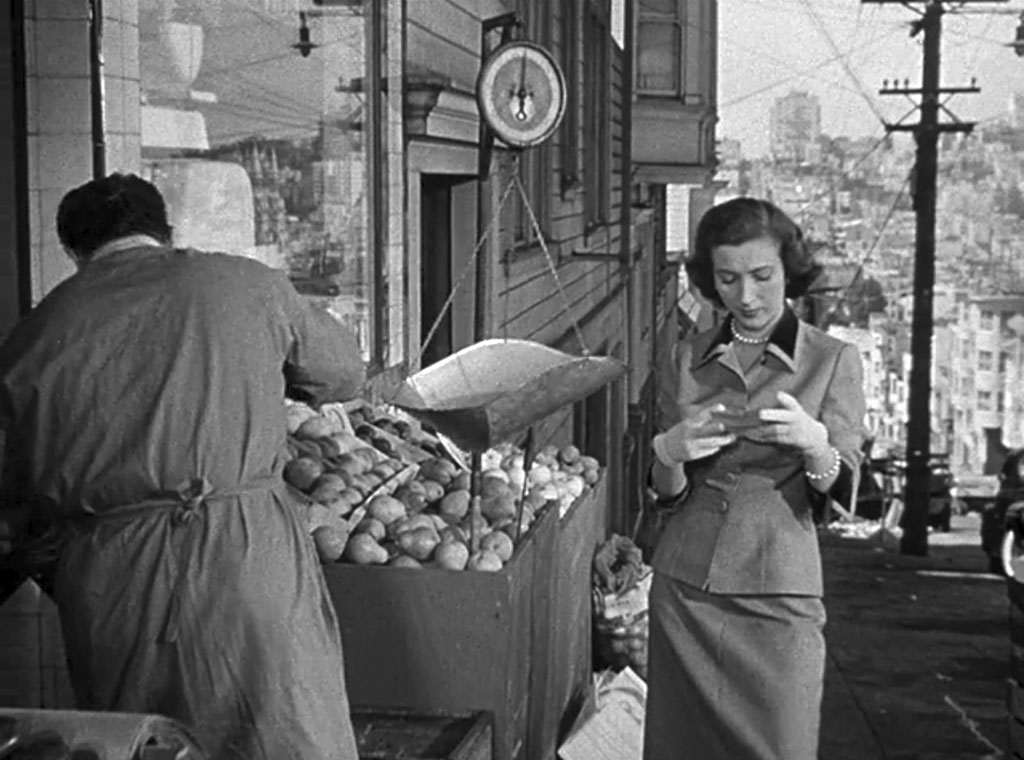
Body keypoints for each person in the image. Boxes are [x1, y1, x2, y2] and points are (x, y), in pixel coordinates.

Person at [0, 173, 365, 760]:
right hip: (246, 558)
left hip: (111, 586)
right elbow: (344, 373)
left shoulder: (33, 337)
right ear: (165, 232)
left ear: (74, 251)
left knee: (144, 743)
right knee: (283, 728)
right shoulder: (246, 285)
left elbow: (22, 496)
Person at [643, 197, 866, 760]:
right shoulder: (685, 356)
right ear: (710, 280)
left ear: (788, 270)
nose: (746, 296)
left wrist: (817, 446)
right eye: (728, 279)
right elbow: (666, 495)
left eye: (762, 276)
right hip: (686, 591)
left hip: (780, 594)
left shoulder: (832, 360)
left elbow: (842, 494)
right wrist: (668, 454)